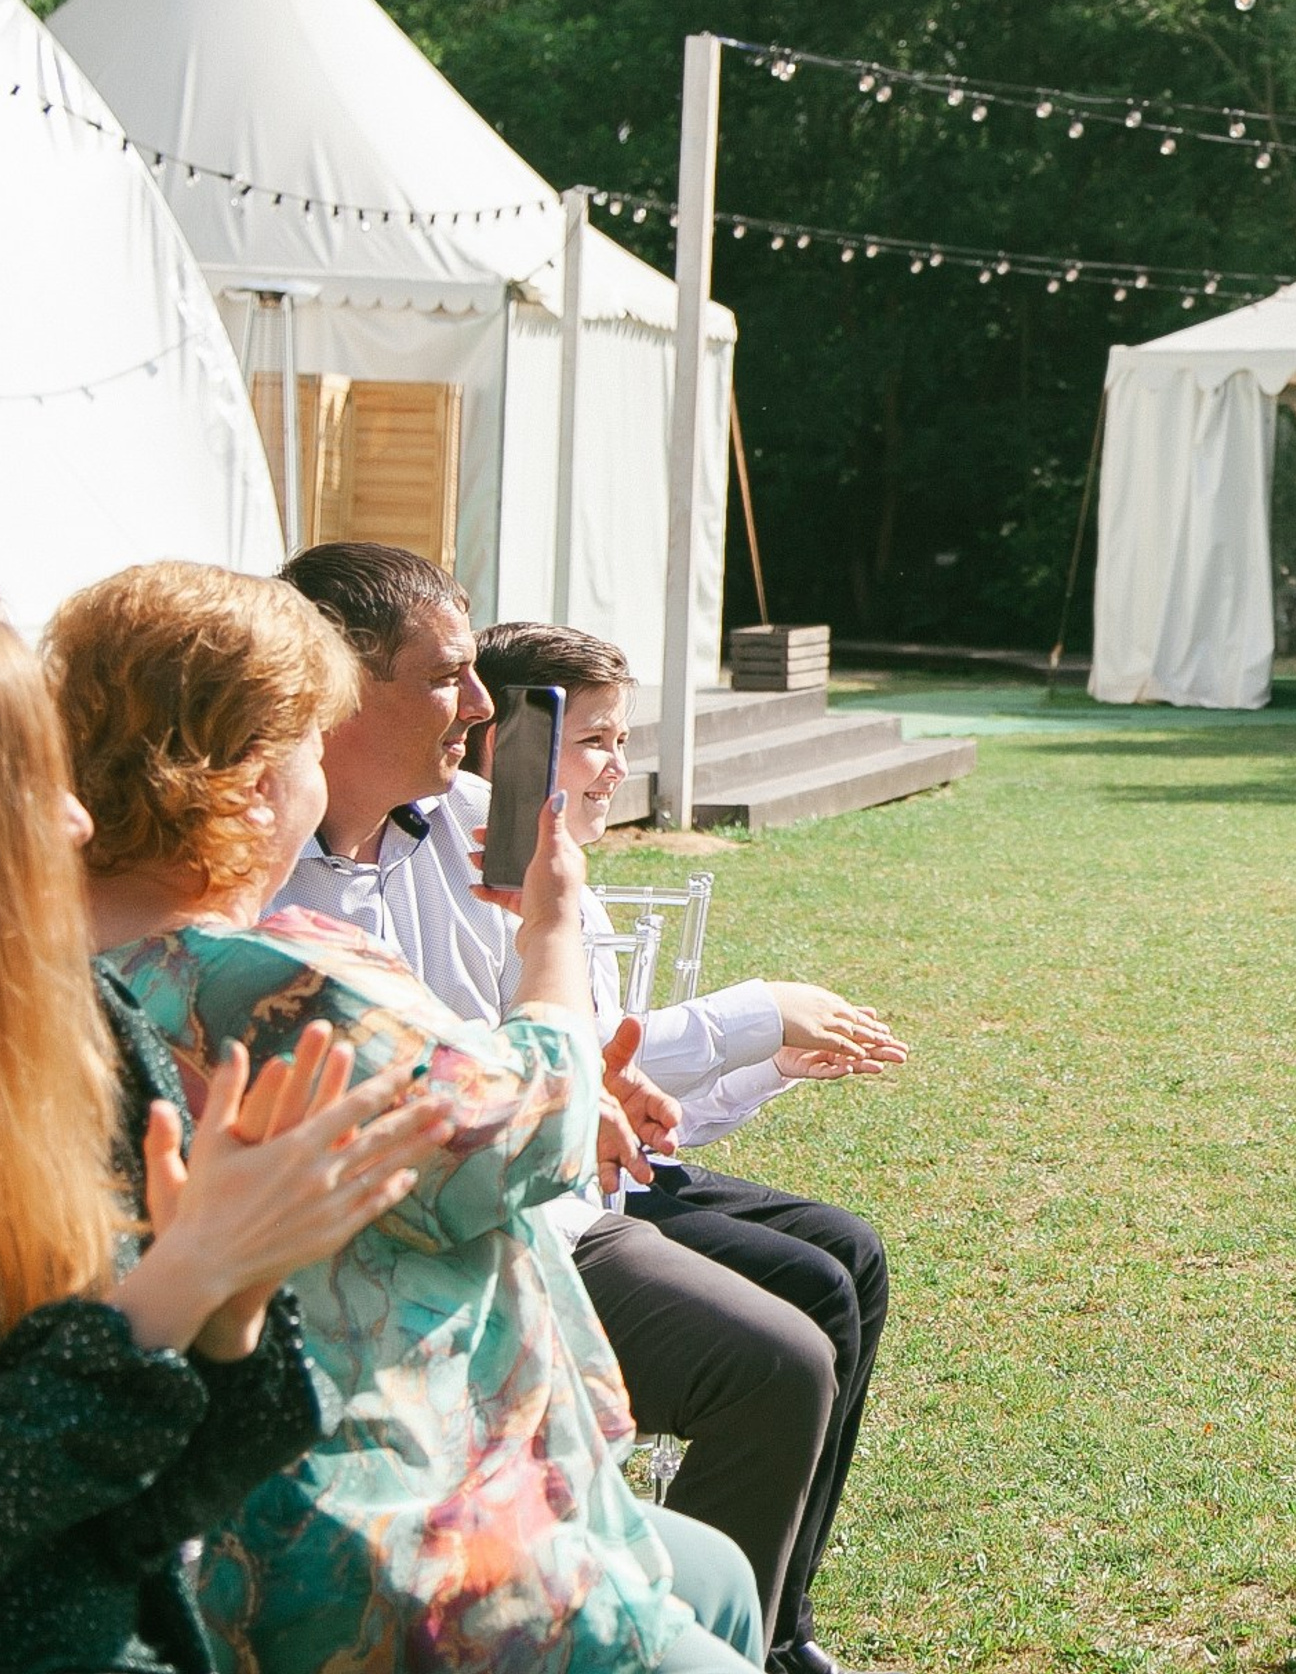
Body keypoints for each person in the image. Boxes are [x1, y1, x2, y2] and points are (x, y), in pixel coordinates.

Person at [53, 562, 766, 1673]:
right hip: (380, 1516)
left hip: (223, 1497)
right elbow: (524, 1132)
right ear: (246, 776)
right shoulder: (263, 976)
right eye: (309, 734)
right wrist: (552, 938)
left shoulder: (56, 974)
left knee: (716, 1573)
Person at [270, 542, 844, 1674]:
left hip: (532, 1205)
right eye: (446, 678)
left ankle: (732, 1633)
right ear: (330, 690)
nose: (482, 707)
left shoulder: (488, 820)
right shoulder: (256, 886)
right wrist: (573, 1067)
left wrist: (590, 1069)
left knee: (824, 1287)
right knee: (779, 1352)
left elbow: (567, 1047)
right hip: (430, 1236)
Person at [0, 616, 448, 1674]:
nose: (73, 820)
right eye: (27, 780)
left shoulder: (77, 1014)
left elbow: (140, 1519)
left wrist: (235, 1301)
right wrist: (178, 1283)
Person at [470, 620, 902, 1674]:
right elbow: (565, 1073)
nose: (620, 766)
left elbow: (632, 1093)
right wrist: (759, 1010)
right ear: (511, 741)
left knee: (851, 1253)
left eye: (624, 740)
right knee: (807, 1305)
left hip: (599, 1174)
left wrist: (765, 1067)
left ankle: (779, 1614)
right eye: (596, 741)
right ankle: (713, 1635)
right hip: (541, 1196)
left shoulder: (563, 865)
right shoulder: (481, 877)